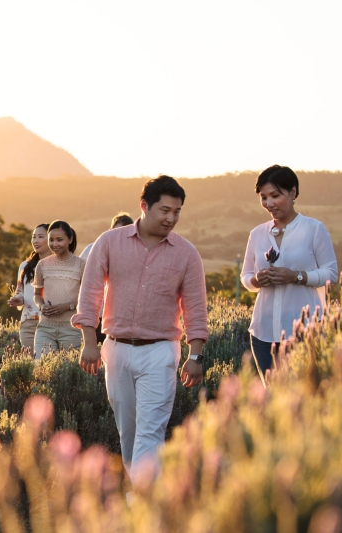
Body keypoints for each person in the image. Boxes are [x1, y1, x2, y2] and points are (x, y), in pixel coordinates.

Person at [72, 176, 208, 479]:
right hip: (116, 349)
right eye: (165, 210)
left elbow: (196, 308)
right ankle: (140, 494)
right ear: (144, 206)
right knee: (129, 431)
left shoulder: (187, 254)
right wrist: (89, 342)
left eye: (177, 211)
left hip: (161, 351)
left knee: (151, 430)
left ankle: (142, 501)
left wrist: (195, 356)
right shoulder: (109, 242)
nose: (171, 218)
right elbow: (91, 292)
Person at [240, 165, 338, 383]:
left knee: (303, 400)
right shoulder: (257, 234)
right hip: (263, 334)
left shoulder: (314, 229)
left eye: (275, 196)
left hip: (304, 334)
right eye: (264, 197)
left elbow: (331, 273)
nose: (269, 203)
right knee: (273, 402)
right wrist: (256, 280)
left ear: (293, 192)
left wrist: (296, 276)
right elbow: (245, 277)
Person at [32, 220, 85, 357]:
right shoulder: (42, 265)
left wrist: (68, 306)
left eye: (59, 240)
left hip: (71, 329)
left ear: (70, 239)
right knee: (41, 369)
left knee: (69, 372)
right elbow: (37, 294)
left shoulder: (81, 265)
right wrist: (41, 306)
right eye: (51, 240)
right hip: (45, 328)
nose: (54, 244)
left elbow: (89, 298)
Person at [79, 212, 134, 344]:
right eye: (116, 231)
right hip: (95, 315)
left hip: (118, 318)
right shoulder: (92, 249)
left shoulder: (133, 254)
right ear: (110, 230)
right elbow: (79, 277)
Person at [8, 223, 51, 353]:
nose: (35, 241)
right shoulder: (25, 266)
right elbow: (20, 292)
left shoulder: (58, 265)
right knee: (30, 363)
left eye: (40, 237)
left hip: (50, 324)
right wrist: (18, 299)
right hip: (28, 323)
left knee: (46, 363)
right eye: (34, 237)